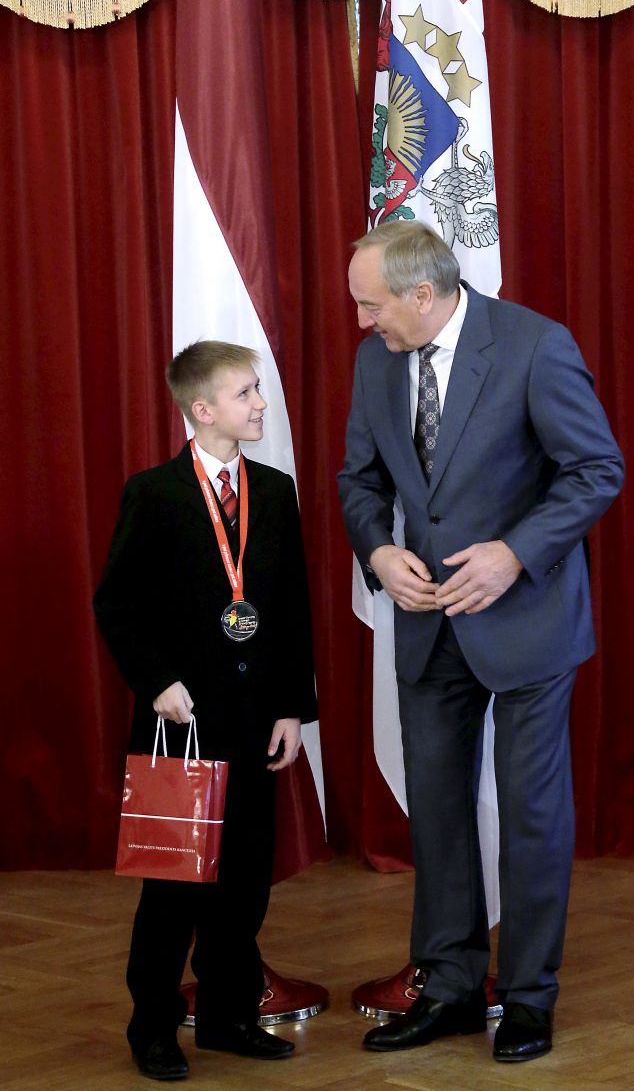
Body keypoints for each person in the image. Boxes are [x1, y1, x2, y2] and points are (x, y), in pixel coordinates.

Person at [338, 221, 624, 1063]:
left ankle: (529, 998)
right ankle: (452, 988)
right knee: (436, 813)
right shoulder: (376, 362)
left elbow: (595, 469)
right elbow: (360, 481)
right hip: (428, 624)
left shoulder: (535, 346)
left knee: (532, 817)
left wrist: (515, 554)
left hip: (527, 620)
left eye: (372, 305)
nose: (362, 321)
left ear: (423, 294)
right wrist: (377, 552)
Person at [94, 341, 317, 1080]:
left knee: (244, 880)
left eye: (258, 390)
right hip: (180, 724)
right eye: (245, 393)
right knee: (173, 882)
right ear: (203, 409)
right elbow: (117, 604)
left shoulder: (274, 492)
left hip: (255, 720)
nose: (260, 403)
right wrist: (156, 680)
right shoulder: (154, 494)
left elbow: (290, 608)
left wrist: (291, 707)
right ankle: (153, 1026)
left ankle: (229, 1015)